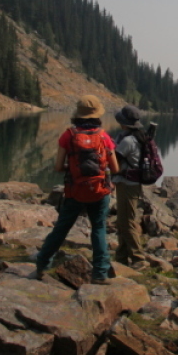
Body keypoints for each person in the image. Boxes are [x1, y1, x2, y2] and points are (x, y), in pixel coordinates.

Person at [35, 95, 120, 284]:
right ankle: (100, 273)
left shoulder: (69, 135)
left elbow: (58, 167)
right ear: (97, 115)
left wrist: (73, 168)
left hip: (74, 191)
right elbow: (114, 169)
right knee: (98, 228)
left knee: (62, 228)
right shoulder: (104, 136)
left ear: (78, 114)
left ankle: (42, 265)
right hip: (99, 191)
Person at [113, 105, 148, 270]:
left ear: (124, 123)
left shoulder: (127, 141)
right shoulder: (139, 137)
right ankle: (121, 255)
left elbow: (114, 162)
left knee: (126, 222)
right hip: (133, 184)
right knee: (123, 220)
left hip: (126, 185)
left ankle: (138, 257)